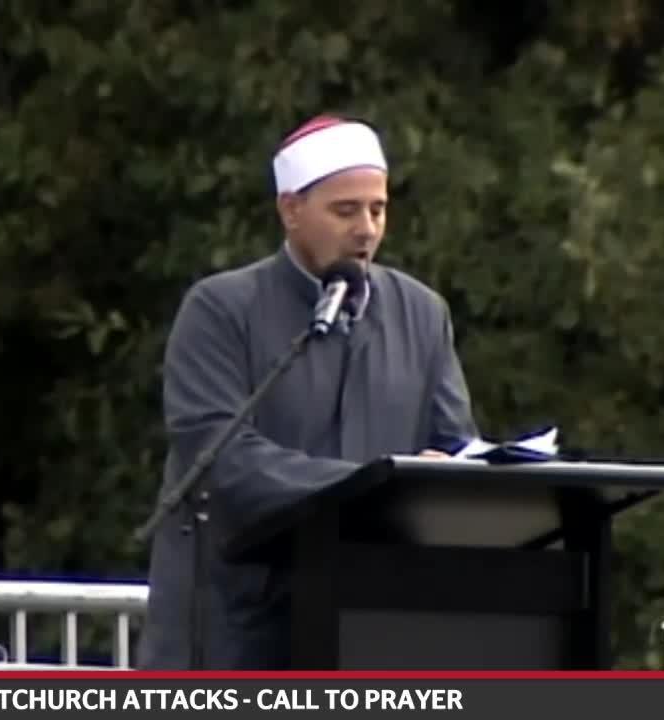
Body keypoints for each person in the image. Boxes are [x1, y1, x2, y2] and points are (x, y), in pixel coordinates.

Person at [137, 114, 478, 669]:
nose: (366, 229)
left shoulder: (422, 313)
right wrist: (376, 483)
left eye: (378, 209)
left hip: (369, 628)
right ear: (290, 210)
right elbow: (223, 457)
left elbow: (453, 450)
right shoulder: (221, 309)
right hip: (236, 632)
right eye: (345, 211)